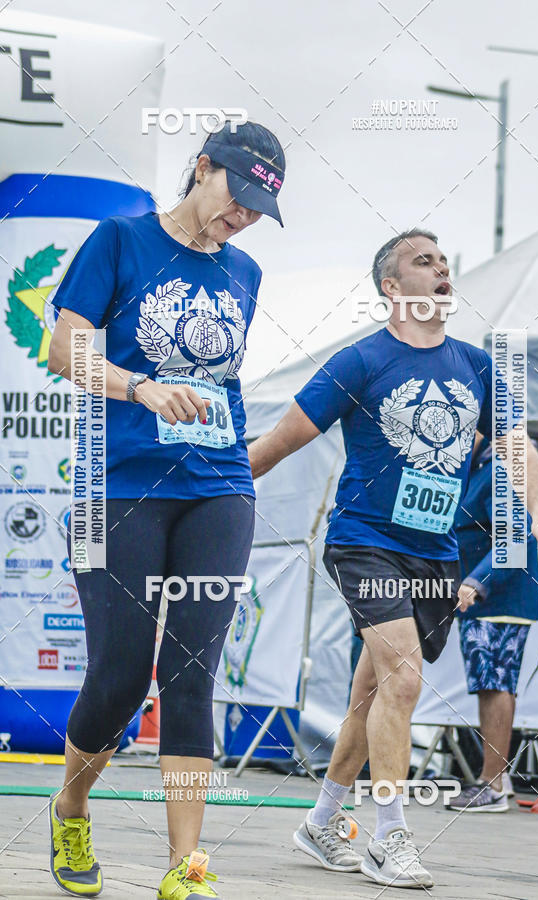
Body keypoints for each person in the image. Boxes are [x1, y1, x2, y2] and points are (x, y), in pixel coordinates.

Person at [248, 229, 538, 889]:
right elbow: (280, 441)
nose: (441, 269)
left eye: (445, 262)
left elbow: (518, 446)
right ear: (391, 287)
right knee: (402, 680)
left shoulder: (477, 366)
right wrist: (204, 493)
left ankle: (320, 822)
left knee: (372, 693)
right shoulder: (359, 362)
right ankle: (389, 837)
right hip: (365, 542)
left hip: (435, 556)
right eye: (424, 262)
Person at [46, 120, 286, 899]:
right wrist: (139, 388)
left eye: (258, 209)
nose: (242, 216)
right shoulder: (120, 239)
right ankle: (72, 805)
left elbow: (223, 380)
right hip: (114, 485)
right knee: (120, 675)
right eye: (236, 195)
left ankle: (185, 866)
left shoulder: (245, 272)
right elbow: (64, 349)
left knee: (191, 672)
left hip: (218, 485)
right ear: (202, 167)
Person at [448, 433, 538, 812]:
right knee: (490, 684)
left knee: (495, 684)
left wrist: (476, 581)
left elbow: (515, 536)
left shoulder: (499, 469)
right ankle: (494, 781)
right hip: (484, 597)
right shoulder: (477, 469)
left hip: (498, 596)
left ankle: (493, 785)